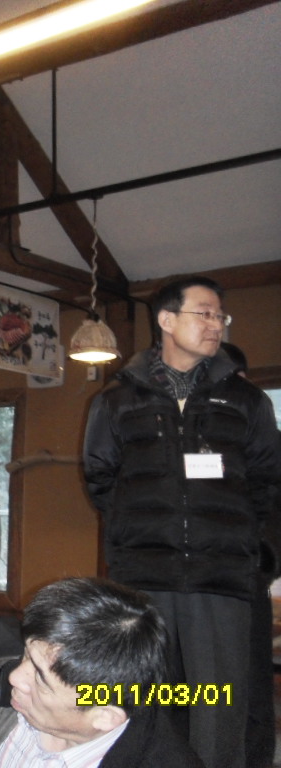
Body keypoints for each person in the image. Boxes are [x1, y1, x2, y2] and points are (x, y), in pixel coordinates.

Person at [82, 276, 281, 768]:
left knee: (216, 704)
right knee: (145, 698)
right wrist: (138, 533)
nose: (216, 324)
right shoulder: (115, 400)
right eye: (204, 313)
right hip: (143, 578)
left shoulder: (247, 401)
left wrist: (245, 549)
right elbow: (100, 478)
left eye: (220, 316)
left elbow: (269, 483)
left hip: (221, 580)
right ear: (167, 320)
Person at [0, 577, 204, 767]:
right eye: (26, 654)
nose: (13, 676)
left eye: (40, 677)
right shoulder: (2, 666)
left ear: (104, 716)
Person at [221, 341, 279, 768]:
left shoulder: (267, 443)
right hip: (180, 588)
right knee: (184, 690)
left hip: (243, 585)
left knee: (250, 690)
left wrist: (261, 564)